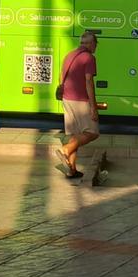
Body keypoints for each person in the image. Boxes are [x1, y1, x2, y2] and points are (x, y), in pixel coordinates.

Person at [55, 30, 100, 178]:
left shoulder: (69, 55)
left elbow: (61, 76)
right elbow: (89, 81)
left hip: (67, 99)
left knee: (75, 135)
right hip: (81, 100)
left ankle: (71, 170)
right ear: (91, 43)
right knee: (92, 132)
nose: (96, 47)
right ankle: (65, 150)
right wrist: (93, 106)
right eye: (96, 44)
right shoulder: (89, 58)